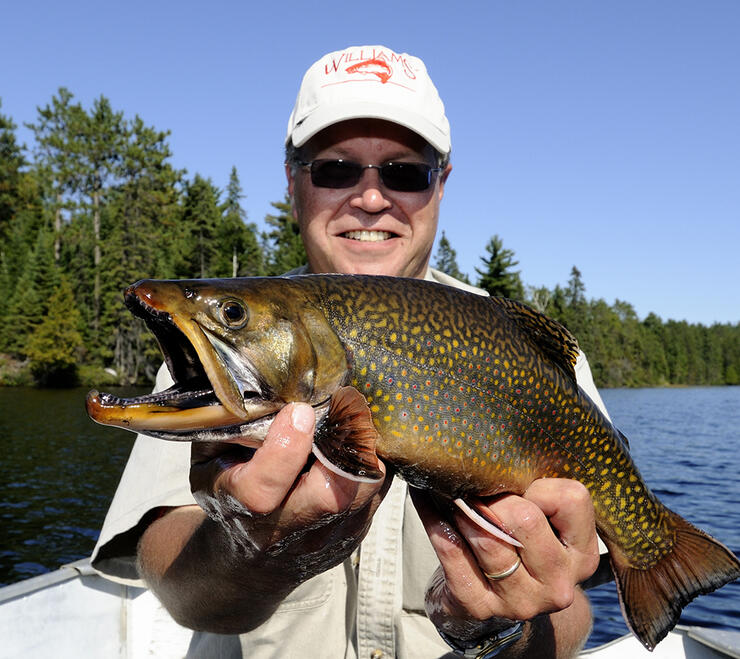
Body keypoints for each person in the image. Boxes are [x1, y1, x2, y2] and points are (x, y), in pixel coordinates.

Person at [92, 45, 610, 658]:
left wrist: (493, 628)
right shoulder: (229, 356)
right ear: (293, 182)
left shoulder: (526, 357)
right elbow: (174, 585)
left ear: (440, 184)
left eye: (404, 172)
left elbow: (573, 610)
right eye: (336, 169)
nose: (370, 198)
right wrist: (249, 551)